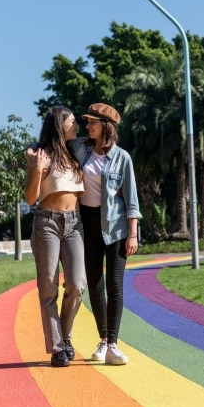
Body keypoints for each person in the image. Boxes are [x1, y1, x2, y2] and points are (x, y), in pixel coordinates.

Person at [72, 103, 141, 365]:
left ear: (106, 126)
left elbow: (131, 200)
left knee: (114, 285)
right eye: (87, 122)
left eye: (92, 122)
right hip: (87, 225)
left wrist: (133, 234)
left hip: (116, 228)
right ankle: (102, 340)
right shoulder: (79, 148)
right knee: (94, 284)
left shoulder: (122, 158)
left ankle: (113, 343)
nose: (87, 125)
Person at [24, 106, 86, 368]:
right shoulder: (40, 155)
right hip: (47, 223)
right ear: (59, 125)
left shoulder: (78, 151)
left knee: (77, 284)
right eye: (72, 122)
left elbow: (101, 135)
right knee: (48, 287)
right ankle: (57, 348)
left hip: (74, 223)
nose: (77, 126)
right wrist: (37, 169)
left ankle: (65, 335)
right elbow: (30, 199)